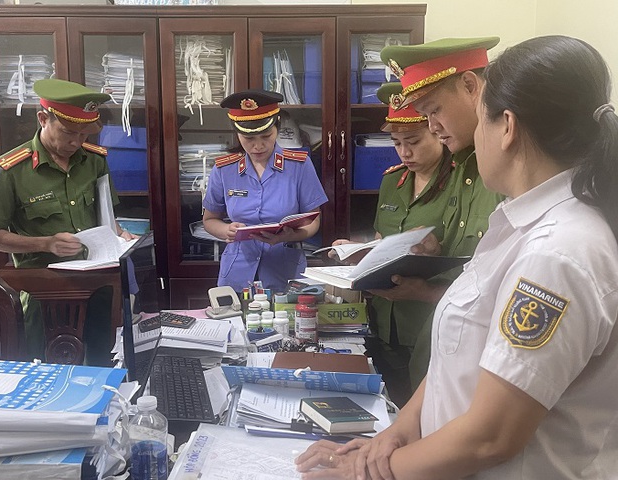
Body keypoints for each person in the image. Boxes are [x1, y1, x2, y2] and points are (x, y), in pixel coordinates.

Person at [296, 34, 618, 479]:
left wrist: (361, 473)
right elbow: (458, 360)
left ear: (506, 126)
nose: (436, 132)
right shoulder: (516, 227)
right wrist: (396, 435)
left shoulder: (558, 253)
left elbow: (491, 436)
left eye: (481, 120)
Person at [368, 37, 504, 390]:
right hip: (442, 355)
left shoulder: (496, 170)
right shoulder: (468, 164)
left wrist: (426, 290)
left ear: (470, 86)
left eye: (433, 111)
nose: (431, 126)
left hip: (475, 365)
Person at [0, 78, 135, 365]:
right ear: (43, 119)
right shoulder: (11, 169)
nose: (76, 142)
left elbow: (107, 218)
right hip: (44, 292)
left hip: (98, 287)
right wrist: (47, 243)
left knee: (101, 366)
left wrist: (121, 235)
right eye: (68, 132)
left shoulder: (94, 161)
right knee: (45, 371)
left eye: (84, 134)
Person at [329, 82, 453, 400]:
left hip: (429, 322)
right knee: (391, 406)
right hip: (384, 322)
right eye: (397, 143)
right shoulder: (392, 181)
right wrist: (359, 252)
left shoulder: (461, 183)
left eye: (413, 141)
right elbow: (382, 239)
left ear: (437, 132)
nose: (404, 152)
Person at [203, 89, 328, 293]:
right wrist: (226, 230)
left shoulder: (299, 166)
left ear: (277, 127)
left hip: (284, 270)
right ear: (237, 134)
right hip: (237, 271)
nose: (258, 146)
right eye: (249, 138)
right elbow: (209, 220)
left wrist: (287, 236)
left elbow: (314, 221)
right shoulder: (224, 169)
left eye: (266, 136)